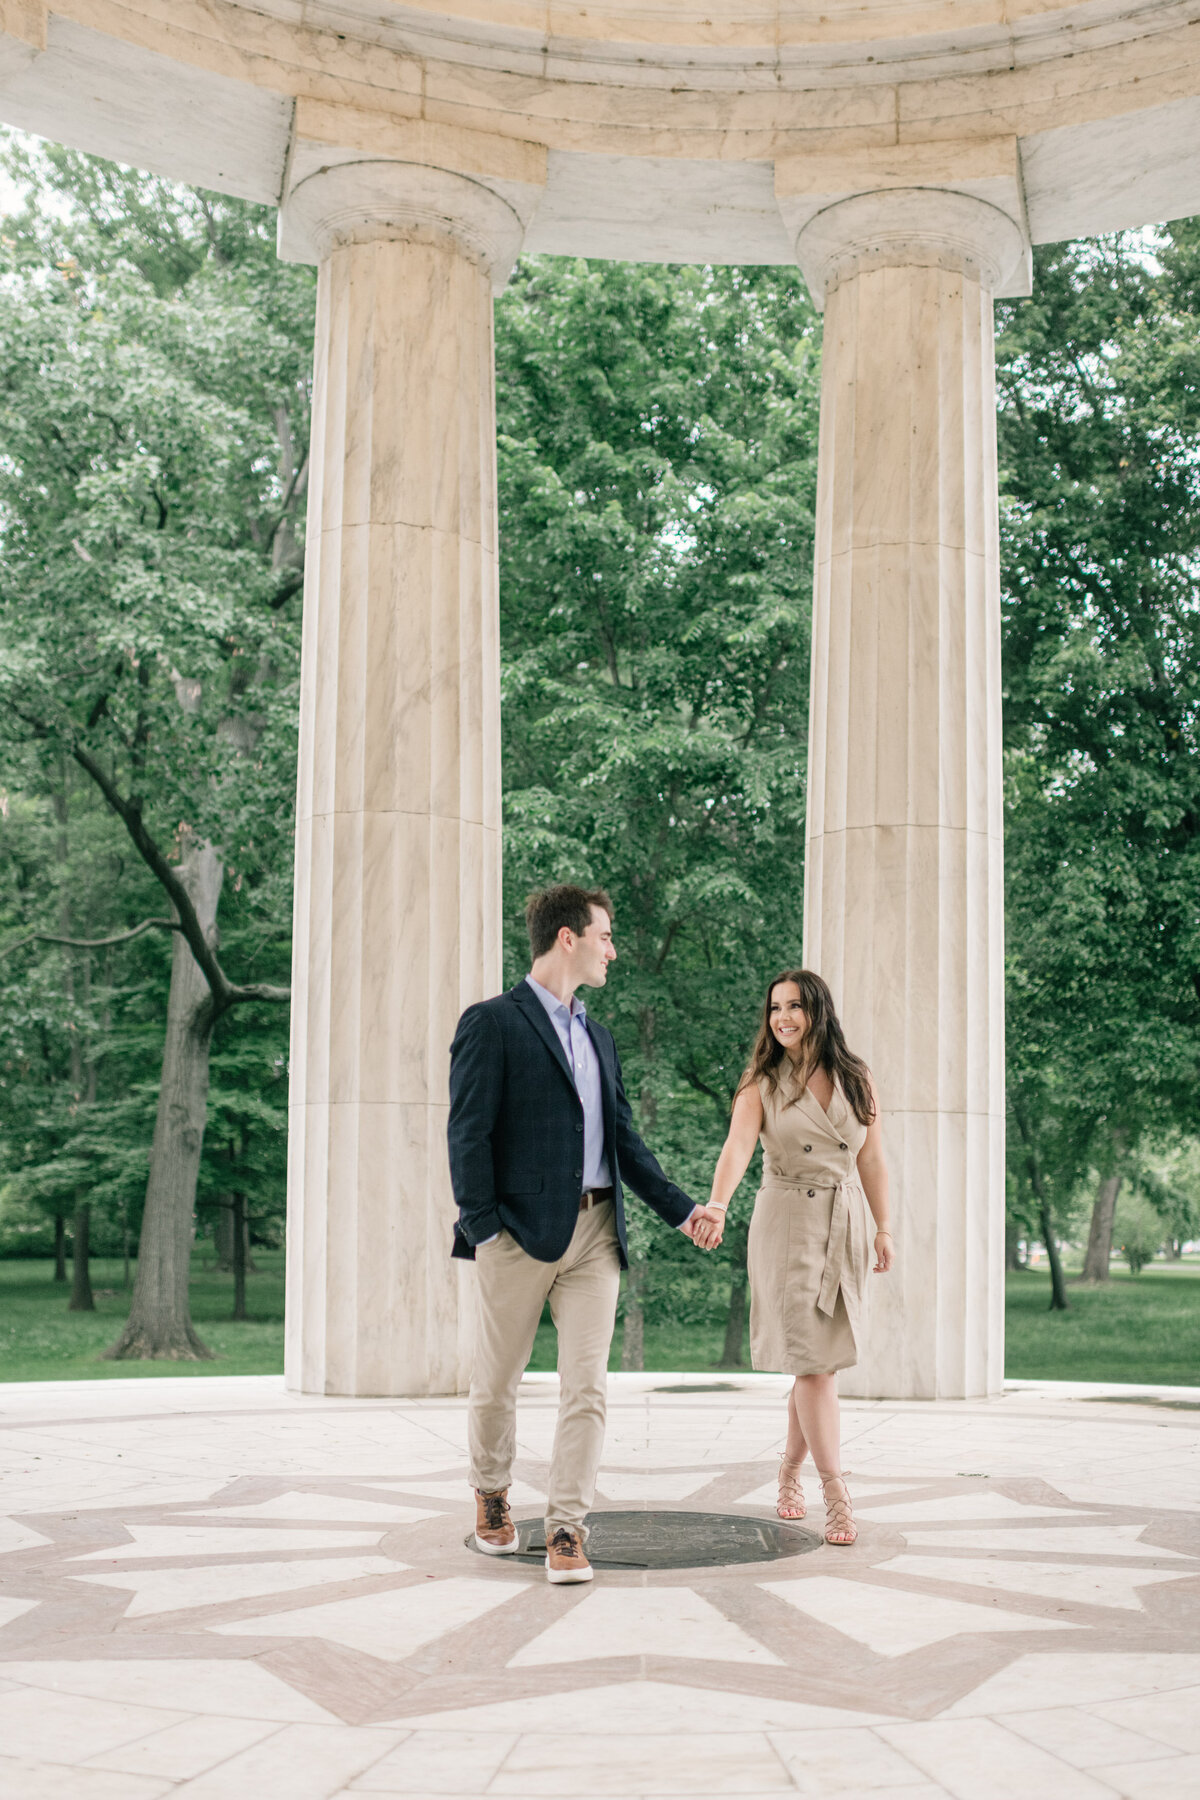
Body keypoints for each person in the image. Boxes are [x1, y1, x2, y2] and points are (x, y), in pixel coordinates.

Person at [448, 884, 721, 1585]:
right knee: (496, 1381)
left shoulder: (598, 1035)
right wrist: (485, 1229)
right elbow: (467, 1136)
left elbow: (622, 1139)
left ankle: (568, 1527)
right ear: (567, 937)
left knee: (587, 1388)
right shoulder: (491, 1023)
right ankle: (491, 1495)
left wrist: (681, 1208)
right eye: (605, 935)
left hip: (597, 1233)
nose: (613, 949)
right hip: (514, 1235)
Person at [694, 970, 893, 1546]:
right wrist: (717, 1203)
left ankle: (788, 1473)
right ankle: (836, 1494)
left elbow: (873, 1160)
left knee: (819, 1364)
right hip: (787, 1224)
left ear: (818, 1011)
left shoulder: (857, 1077)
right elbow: (737, 1146)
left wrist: (885, 1228)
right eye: (776, 1007)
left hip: (845, 1220)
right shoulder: (762, 1079)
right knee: (812, 1364)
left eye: (795, 1006)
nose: (783, 1017)